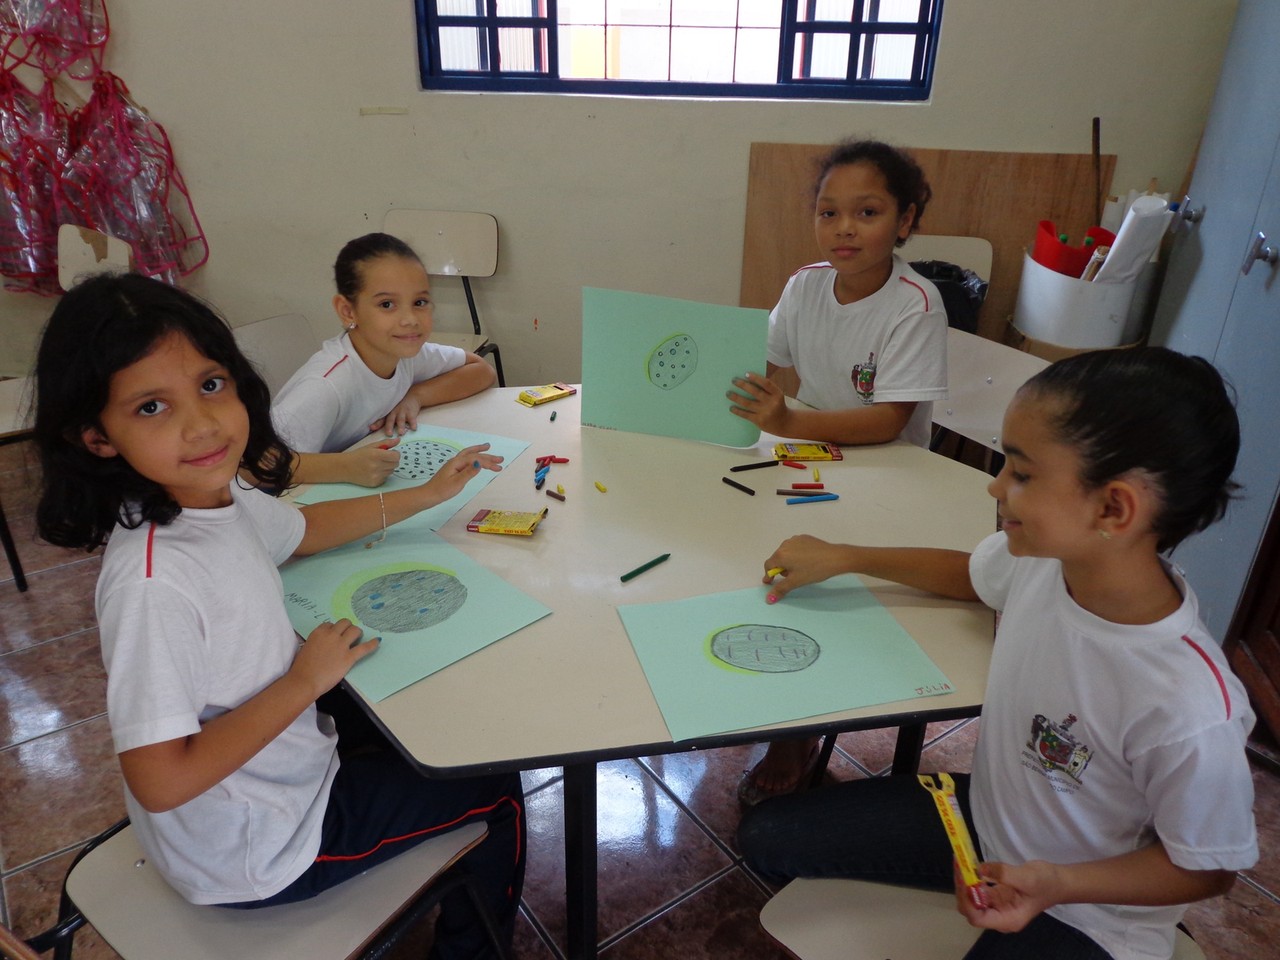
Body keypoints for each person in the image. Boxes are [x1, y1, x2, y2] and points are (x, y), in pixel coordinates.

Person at [32, 273, 523, 960]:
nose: (202, 424)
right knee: (494, 783)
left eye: (210, 385)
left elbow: (303, 528)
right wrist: (303, 681)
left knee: (409, 713)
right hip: (263, 851)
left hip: (268, 781)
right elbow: (161, 779)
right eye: (151, 407)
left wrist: (427, 496)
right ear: (96, 436)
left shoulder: (207, 495)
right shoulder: (152, 584)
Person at [739, 347, 1257, 960]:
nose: (995, 485)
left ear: (1113, 508)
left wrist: (1057, 883)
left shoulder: (1192, 707)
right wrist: (847, 556)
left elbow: (1207, 870)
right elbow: (970, 575)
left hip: (1085, 913)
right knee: (767, 837)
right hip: (981, 824)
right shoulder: (1045, 561)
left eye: (1022, 474)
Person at [728, 138, 949, 803]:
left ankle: (797, 731)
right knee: (750, 548)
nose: (844, 228)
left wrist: (788, 421)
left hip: (886, 471)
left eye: (867, 212)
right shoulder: (805, 284)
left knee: (821, 584)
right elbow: (760, 360)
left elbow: (888, 422)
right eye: (829, 212)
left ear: (905, 221)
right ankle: (769, 685)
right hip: (809, 458)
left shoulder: (916, 302)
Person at [271, 232, 497, 487]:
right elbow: (256, 465)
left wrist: (416, 396)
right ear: (348, 311)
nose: (410, 319)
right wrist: (346, 466)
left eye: (420, 302)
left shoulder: (403, 353)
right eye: (387, 304)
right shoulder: (327, 384)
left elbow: (481, 370)